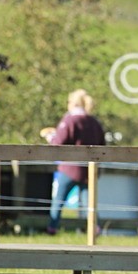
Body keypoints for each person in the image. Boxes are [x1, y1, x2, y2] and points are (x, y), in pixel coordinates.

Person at [42, 89, 106, 234]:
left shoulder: (70, 120)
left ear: (73, 103)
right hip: (88, 171)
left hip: (70, 169)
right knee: (89, 203)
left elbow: (58, 143)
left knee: (58, 200)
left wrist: (50, 137)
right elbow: (103, 145)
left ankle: (52, 228)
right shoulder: (94, 122)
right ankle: (95, 228)